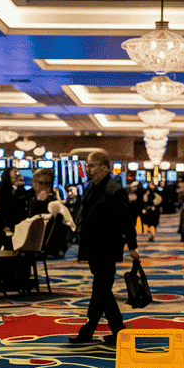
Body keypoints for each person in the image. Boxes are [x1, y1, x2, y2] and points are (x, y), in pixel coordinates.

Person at [70, 149, 139, 347]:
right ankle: (118, 331)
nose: (88, 169)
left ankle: (89, 330)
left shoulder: (114, 188)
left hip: (107, 246)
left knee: (101, 289)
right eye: (87, 165)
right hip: (93, 245)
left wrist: (133, 246)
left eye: (92, 165)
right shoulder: (92, 186)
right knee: (103, 289)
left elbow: (127, 220)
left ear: (105, 167)